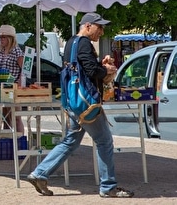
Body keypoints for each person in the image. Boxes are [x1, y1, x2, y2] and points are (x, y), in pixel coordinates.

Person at [26, 12, 133, 198]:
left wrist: (100, 64)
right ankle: (108, 187)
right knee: (104, 141)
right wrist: (105, 69)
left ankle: (40, 173)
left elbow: (82, 68)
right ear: (88, 26)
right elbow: (91, 70)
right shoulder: (84, 43)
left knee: (69, 142)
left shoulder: (71, 43)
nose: (101, 31)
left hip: (74, 101)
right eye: (99, 27)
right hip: (86, 103)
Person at [0, 24, 25, 134]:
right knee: (5, 116)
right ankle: (7, 140)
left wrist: (19, 81)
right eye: (0, 37)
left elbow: (24, 69)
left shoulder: (16, 51)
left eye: (4, 37)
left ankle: (20, 140)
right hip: (3, 86)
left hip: (13, 87)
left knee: (15, 116)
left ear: (10, 38)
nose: (1, 40)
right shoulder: (1, 51)